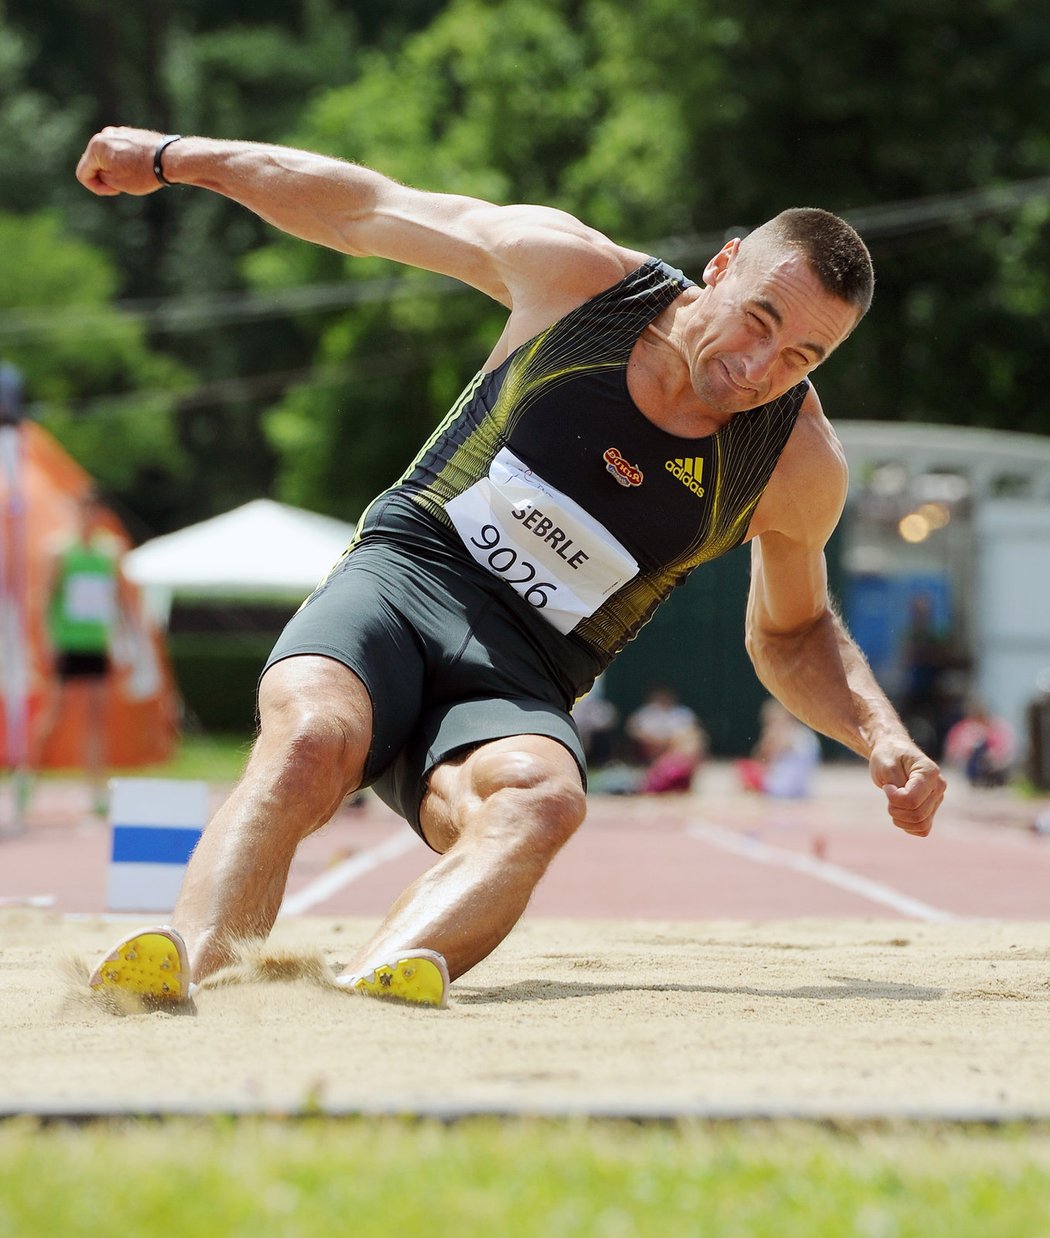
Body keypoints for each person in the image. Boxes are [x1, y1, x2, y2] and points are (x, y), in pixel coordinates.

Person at [76, 127, 945, 1012]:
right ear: (721, 267)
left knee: (542, 802)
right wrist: (174, 156)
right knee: (310, 739)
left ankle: (375, 983)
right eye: (759, 322)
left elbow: (793, 635)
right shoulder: (577, 280)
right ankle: (189, 957)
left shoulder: (796, 464)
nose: (759, 367)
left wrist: (883, 735)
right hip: (399, 586)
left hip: (521, 677)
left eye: (801, 356)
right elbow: (364, 208)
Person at [36, 489, 128, 816]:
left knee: (96, 719)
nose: (88, 517)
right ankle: (27, 780)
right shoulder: (59, 552)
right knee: (54, 715)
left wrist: (119, 643)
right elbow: (46, 600)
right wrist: (49, 643)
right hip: (68, 644)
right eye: (83, 510)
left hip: (97, 644)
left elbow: (117, 601)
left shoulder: (108, 552)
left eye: (93, 510)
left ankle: (96, 793)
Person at [737, 698, 821, 798]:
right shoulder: (803, 733)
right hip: (799, 788)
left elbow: (761, 757)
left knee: (747, 772)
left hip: (783, 789)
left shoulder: (794, 735)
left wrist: (768, 738)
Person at [943, 697, 1015, 789]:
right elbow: (952, 752)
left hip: (994, 765)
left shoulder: (999, 727)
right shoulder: (962, 729)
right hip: (967, 767)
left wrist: (994, 755)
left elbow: (1008, 749)